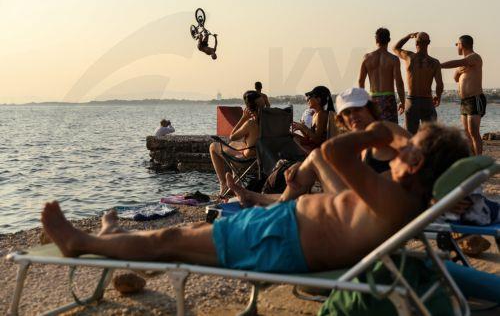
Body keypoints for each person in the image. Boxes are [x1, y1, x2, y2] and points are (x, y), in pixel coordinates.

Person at [42, 121, 470, 274]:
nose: (395, 151)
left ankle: (81, 243)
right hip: (282, 232)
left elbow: (334, 151)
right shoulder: (404, 200)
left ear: (414, 163)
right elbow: (328, 165)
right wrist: (401, 141)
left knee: (170, 242)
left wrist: (379, 134)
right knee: (188, 230)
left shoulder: (394, 200)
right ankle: (111, 235)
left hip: (279, 242)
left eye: (407, 147)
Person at [227, 87, 391, 206]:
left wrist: (411, 151)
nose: (353, 116)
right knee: (303, 196)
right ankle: (252, 196)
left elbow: (405, 142)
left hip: (366, 203)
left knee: (315, 159)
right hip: (353, 195)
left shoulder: (382, 131)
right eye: (347, 113)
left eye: (358, 109)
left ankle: (257, 197)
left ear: (371, 110)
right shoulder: (357, 140)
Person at [209, 91, 265, 196]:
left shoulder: (250, 123)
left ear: (248, 108)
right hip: (261, 159)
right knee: (233, 144)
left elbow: (232, 135)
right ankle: (236, 184)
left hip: (246, 160)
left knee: (213, 146)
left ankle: (223, 184)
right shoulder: (268, 122)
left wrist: (243, 118)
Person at [441, 35, 486, 155]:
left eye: (457, 44)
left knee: (473, 132)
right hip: (464, 101)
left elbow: (460, 62)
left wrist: (438, 65)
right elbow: (456, 78)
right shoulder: (465, 62)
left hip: (475, 98)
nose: (457, 47)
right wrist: (457, 71)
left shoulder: (474, 57)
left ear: (462, 45)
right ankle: (472, 160)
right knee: (466, 133)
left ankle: (478, 160)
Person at [393, 32, 444, 134]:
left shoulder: (409, 57)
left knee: (410, 135)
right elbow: (439, 84)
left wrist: (408, 36)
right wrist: (438, 97)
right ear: (428, 43)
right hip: (428, 102)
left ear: (416, 42)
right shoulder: (435, 62)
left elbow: (395, 48)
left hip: (412, 101)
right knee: (430, 136)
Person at [359, 28, 405, 123]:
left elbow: (361, 81)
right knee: (391, 130)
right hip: (388, 98)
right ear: (389, 40)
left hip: (373, 98)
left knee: (374, 128)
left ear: (376, 40)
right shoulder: (393, 59)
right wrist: (402, 101)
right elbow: (399, 83)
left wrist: (362, 99)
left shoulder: (367, 58)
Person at [293, 86, 335, 152]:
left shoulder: (321, 114)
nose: (307, 100)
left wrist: (304, 127)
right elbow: (310, 138)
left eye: (309, 98)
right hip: (315, 146)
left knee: (294, 139)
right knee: (292, 135)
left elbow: (317, 140)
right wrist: (300, 128)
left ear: (318, 100)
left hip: (320, 149)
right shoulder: (315, 114)